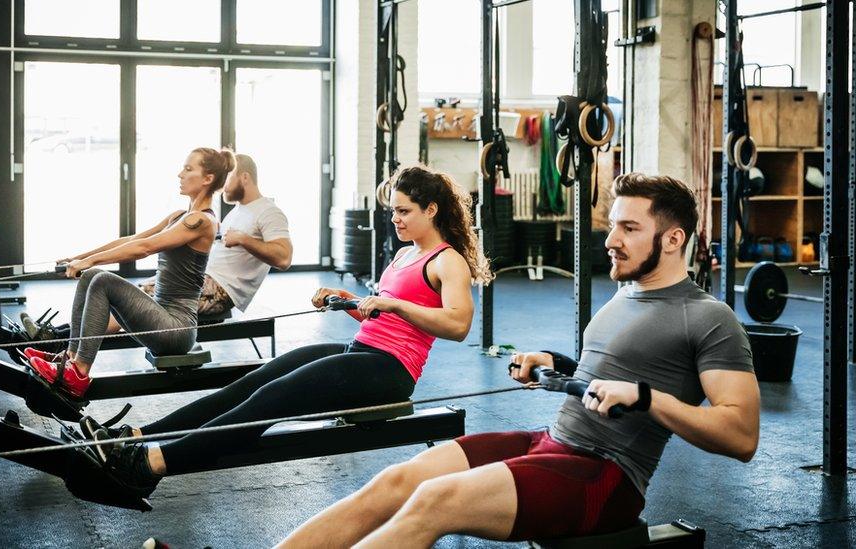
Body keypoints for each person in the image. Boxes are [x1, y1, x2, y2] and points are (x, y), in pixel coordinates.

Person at [277, 173, 761, 548]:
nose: (610, 238)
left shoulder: (708, 318)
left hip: (606, 476)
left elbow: (740, 436)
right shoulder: (625, 295)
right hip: (551, 441)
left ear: (673, 240)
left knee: (434, 500)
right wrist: (558, 364)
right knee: (397, 480)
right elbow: (611, 376)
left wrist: (645, 398)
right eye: (612, 223)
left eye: (629, 228)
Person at [86, 165, 493, 498]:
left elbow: (458, 325)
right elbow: (383, 317)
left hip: (392, 372)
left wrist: (393, 303)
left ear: (433, 210)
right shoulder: (406, 254)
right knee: (251, 383)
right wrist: (347, 300)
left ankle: (151, 465)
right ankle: (135, 436)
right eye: (394, 211)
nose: (395, 218)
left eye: (404, 211)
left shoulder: (446, 261)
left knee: (271, 399)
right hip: (362, 349)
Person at [22, 148, 236, 398]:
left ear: (207, 178)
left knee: (101, 279)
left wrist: (90, 261)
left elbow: (143, 248)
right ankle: (69, 357)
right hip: (160, 317)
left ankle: (79, 372)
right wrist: (80, 258)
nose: (180, 174)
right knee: (92, 276)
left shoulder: (202, 222)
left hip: (176, 329)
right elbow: (132, 239)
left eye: (188, 169)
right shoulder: (180, 216)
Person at [105, 153, 292, 335]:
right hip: (201, 279)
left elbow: (284, 258)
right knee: (129, 293)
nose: (222, 186)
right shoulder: (239, 210)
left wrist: (243, 239)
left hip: (220, 289)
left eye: (228, 178)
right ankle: (80, 342)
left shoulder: (269, 212)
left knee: (132, 298)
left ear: (244, 177)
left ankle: (80, 350)